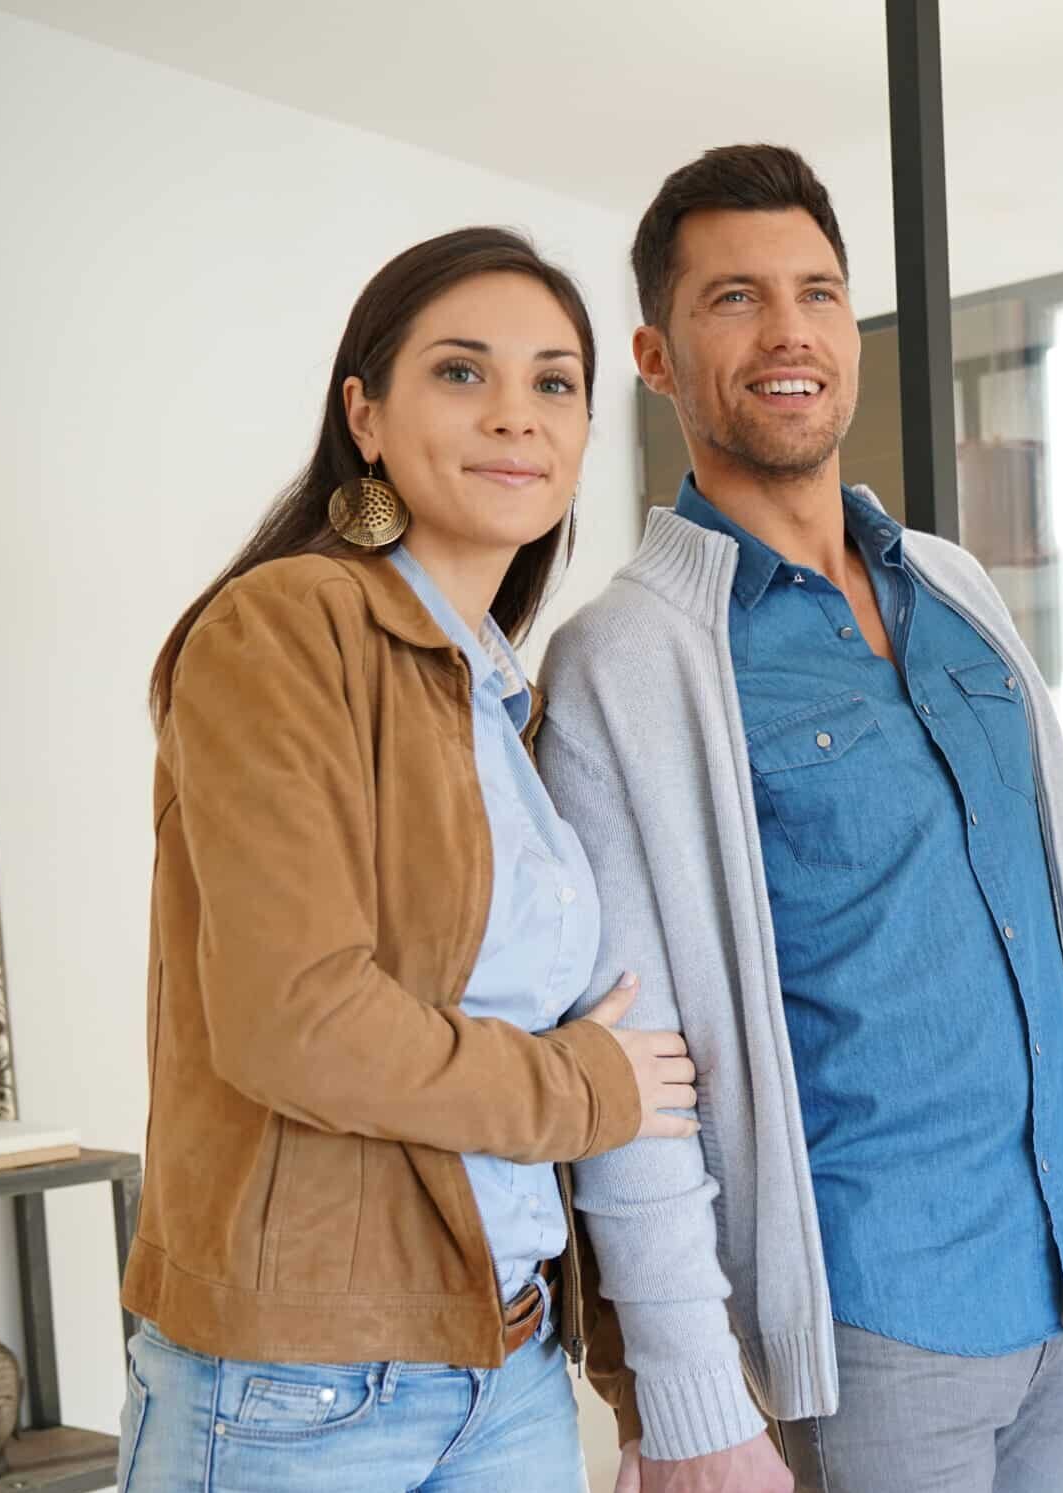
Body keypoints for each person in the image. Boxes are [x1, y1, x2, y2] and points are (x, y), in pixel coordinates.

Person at [537, 144, 1063, 1493]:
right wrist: (683, 1393)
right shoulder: (632, 657)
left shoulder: (953, 587)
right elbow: (631, 1069)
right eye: (734, 299)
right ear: (656, 357)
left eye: (818, 292)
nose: (788, 332)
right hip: (866, 1331)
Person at [122, 227, 696, 1492]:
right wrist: (584, 1085)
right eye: (460, 372)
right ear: (364, 415)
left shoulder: (501, 694)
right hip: (300, 1386)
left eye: (555, 382)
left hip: (506, 1363)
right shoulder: (285, 627)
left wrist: (627, 1366)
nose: (515, 415)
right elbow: (297, 1023)